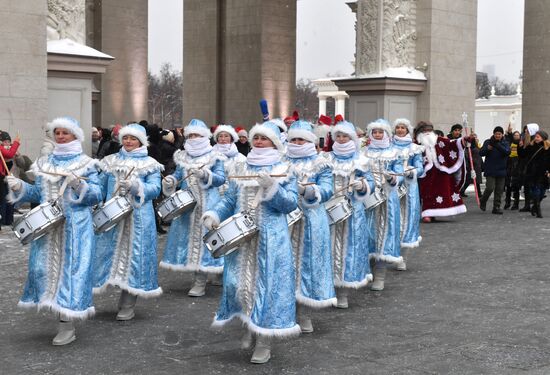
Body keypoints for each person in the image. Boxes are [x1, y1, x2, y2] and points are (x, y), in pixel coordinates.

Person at [201, 121, 299, 364]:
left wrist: (273, 187)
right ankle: (249, 322)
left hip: (270, 238)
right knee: (238, 284)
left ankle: (264, 340)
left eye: (264, 139)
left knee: (266, 286)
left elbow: (290, 204)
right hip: (241, 238)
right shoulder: (239, 166)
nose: (258, 142)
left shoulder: (285, 168)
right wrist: (214, 214)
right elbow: (229, 200)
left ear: (274, 143)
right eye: (256, 138)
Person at [5, 117, 102, 345]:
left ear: (75, 135)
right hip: (48, 228)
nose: (60, 136)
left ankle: (67, 324)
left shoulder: (87, 163)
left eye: (65, 133)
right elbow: (37, 194)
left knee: (71, 273)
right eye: (57, 132)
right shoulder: (44, 162)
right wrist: (21, 187)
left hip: (75, 227)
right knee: (43, 271)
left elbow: (97, 195)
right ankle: (60, 316)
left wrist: (80, 185)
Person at [93, 124, 164, 321]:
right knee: (108, 255)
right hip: (112, 218)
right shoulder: (110, 161)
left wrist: (136, 186)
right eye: (126, 138)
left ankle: (128, 302)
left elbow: (155, 190)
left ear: (141, 141)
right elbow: (98, 187)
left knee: (135, 258)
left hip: (138, 219)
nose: (129, 142)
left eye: (133, 139)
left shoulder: (150, 164)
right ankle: (96, 289)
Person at [160, 119, 225, 297]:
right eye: (190, 135)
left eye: (196, 135)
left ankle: (202, 279)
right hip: (188, 205)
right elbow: (179, 175)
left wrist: (206, 175)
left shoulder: (214, 156)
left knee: (205, 241)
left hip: (208, 204)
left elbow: (221, 178)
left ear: (204, 136)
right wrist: (171, 180)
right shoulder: (182, 156)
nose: (193, 138)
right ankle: (199, 275)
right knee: (189, 241)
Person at [285, 120, 335, 334]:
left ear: (310, 141)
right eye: (293, 139)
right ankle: (285, 311)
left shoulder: (320, 163)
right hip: (284, 221)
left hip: (311, 220)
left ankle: (304, 312)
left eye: (301, 139)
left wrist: (309, 190)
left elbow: (328, 189)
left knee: (307, 265)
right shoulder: (279, 161)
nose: (297, 143)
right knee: (284, 266)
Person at [321, 120, 374, 308]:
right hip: (327, 209)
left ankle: (343, 291)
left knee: (348, 248)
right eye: (338, 136)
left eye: (345, 136)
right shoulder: (325, 159)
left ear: (352, 138)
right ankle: (328, 287)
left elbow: (371, 182)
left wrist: (363, 185)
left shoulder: (361, 160)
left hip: (352, 210)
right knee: (326, 248)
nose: (342, 139)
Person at [363, 119, 403, 291]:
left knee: (384, 234)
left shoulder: (394, 152)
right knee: (367, 234)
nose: (377, 135)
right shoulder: (363, 153)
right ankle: (368, 268)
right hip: (367, 199)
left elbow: (400, 172)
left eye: (381, 132)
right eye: (375, 132)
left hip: (387, 199)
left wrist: (393, 178)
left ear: (387, 134)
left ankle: (380, 274)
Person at [415, 121, 470, 222]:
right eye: (424, 130)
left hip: (440, 171)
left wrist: (463, 140)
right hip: (425, 173)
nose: (427, 132)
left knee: (442, 192)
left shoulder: (439, 140)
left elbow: (451, 144)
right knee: (427, 193)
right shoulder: (416, 143)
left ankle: (435, 213)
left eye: (429, 130)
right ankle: (427, 213)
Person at [392, 119, 424, 270]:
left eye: (402, 127)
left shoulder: (414, 148)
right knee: (392, 220)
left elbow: (420, 168)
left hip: (409, 188)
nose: (399, 130)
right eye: (397, 127)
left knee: (406, 221)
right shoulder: (389, 147)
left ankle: (402, 256)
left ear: (407, 130)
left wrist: (411, 171)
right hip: (391, 187)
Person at [518, 130, 550, 218]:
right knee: (536, 191)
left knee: (542, 192)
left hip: (543, 173)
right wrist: (520, 147)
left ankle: (534, 207)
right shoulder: (531, 146)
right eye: (535, 136)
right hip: (532, 172)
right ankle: (538, 210)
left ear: (543, 138)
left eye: (538, 137)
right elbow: (522, 155)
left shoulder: (547, 148)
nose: (536, 138)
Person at [479, 126, 511, 214]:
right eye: (496, 134)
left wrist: (497, 145)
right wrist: (487, 149)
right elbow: (481, 153)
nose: (498, 135)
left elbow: (507, 152)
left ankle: (496, 207)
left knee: (499, 190)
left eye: (499, 134)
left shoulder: (505, 142)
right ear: (493, 134)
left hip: (501, 169)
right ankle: (483, 200)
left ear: (502, 134)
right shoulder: (488, 142)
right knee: (490, 188)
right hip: (490, 169)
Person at [1, 131, 20, 227]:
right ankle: (4, 219)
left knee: (11, 199)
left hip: (13, 178)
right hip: (4, 178)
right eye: (5, 142)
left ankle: (9, 219)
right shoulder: (6, 150)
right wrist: (15, 145)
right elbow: (8, 155)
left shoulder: (13, 150)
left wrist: (18, 156)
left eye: (8, 141)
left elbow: (22, 164)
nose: (7, 144)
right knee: (4, 199)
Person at [518, 123, 540, 212]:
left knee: (533, 186)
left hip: (535, 167)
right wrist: (520, 147)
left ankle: (535, 204)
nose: (525, 131)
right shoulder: (525, 140)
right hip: (527, 167)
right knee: (527, 186)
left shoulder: (536, 141)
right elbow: (522, 155)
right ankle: (527, 205)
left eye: (527, 129)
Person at [504, 126, 522, 209]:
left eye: (518, 135)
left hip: (517, 164)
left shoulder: (521, 144)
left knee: (516, 186)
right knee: (508, 185)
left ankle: (516, 203)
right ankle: (507, 202)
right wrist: (509, 132)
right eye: (515, 135)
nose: (516, 137)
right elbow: (509, 138)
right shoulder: (510, 142)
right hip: (509, 163)